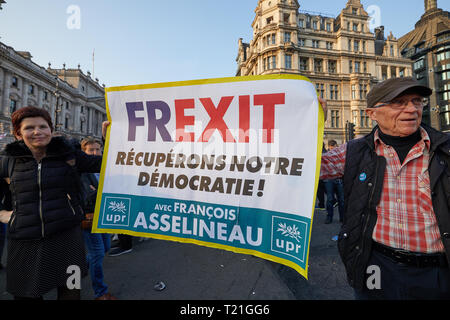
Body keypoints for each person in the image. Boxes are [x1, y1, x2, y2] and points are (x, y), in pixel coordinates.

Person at [319, 77, 450, 300]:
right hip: (376, 266)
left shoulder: (444, 149)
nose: (411, 109)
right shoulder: (354, 151)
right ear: (372, 113)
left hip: (436, 272)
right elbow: (304, 168)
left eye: (416, 101)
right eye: (398, 102)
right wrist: (310, 123)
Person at [0, 106, 109, 300]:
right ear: (17, 133)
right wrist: (3, 214)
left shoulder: (70, 156)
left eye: (43, 126)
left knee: (71, 293)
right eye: (29, 128)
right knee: (26, 295)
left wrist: (107, 139)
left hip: (68, 240)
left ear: (50, 129)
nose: (37, 132)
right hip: (25, 242)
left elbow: (106, 163)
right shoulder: (7, 161)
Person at [79, 137, 117, 300]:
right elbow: (85, 196)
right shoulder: (81, 171)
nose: (95, 153)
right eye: (90, 150)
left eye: (97, 149)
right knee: (98, 253)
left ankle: (82, 266)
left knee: (106, 248)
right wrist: (100, 190)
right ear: (84, 153)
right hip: (89, 216)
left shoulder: (105, 167)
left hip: (104, 215)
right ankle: (100, 292)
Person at [323, 140, 344, 224]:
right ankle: (329, 217)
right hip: (329, 180)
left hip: (339, 179)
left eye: (333, 147)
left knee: (341, 200)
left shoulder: (340, 155)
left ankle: (342, 217)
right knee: (330, 199)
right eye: (331, 148)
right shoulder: (326, 155)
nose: (332, 149)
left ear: (336, 146)